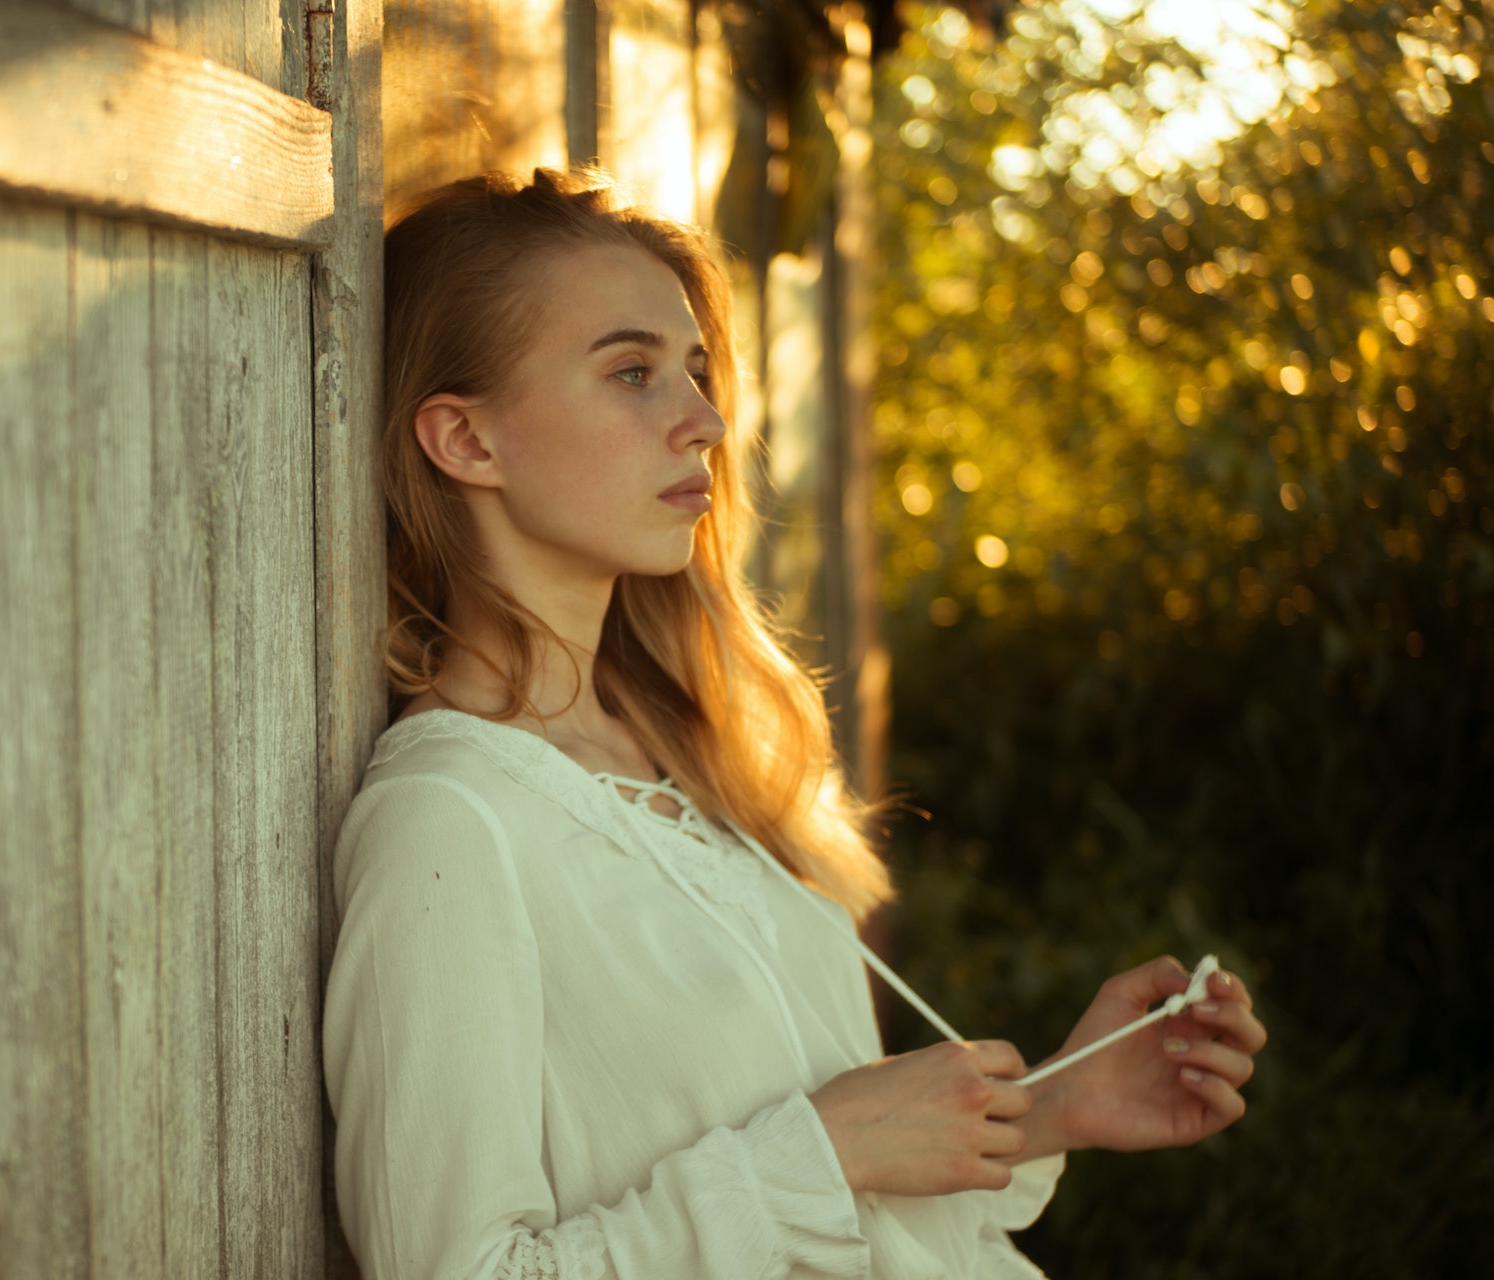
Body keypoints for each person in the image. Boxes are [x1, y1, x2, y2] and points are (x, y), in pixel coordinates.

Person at [321, 168, 1267, 1280]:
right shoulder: (448, 819)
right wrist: (829, 1148)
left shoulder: (689, 763)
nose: (705, 421)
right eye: (631, 372)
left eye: (694, 371)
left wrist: (1048, 1107)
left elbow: (840, 1201)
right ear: (465, 440)